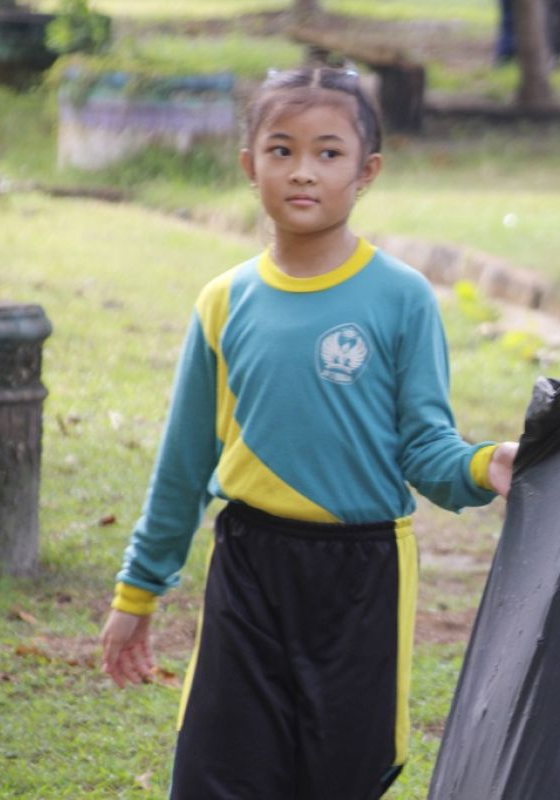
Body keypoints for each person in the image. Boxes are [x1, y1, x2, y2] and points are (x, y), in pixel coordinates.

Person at [98, 66, 518, 799]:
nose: (302, 172)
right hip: (248, 565)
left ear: (367, 172)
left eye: (328, 153)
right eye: (281, 149)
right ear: (248, 164)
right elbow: (184, 464)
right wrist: (137, 594)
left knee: (342, 776)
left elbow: (427, 447)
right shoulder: (224, 302)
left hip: (363, 576)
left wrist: (487, 466)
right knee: (216, 772)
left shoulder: (401, 298)